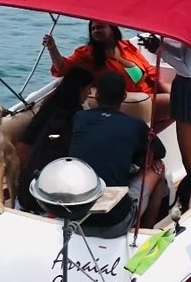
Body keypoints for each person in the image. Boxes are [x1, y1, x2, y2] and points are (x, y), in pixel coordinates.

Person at [67, 71, 168, 226]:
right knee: (158, 167)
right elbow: (160, 152)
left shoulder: (79, 118)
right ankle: (147, 230)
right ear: (124, 97)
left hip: (74, 217)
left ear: (97, 95)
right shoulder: (135, 125)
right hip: (114, 222)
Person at [43, 20, 170, 122]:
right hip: (132, 100)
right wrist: (52, 48)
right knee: (178, 102)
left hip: (150, 91)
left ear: (112, 29)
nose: (96, 31)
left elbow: (150, 71)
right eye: (93, 29)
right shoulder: (87, 54)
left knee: (182, 92)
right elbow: (63, 68)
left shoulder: (125, 46)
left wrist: (165, 88)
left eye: (100, 27)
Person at [142, 33, 191, 171]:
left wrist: (159, 51)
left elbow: (188, 70)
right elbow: (184, 54)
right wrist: (162, 46)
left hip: (188, 91)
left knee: (189, 155)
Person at [17, 66, 94, 160]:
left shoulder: (49, 106)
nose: (90, 93)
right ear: (79, 89)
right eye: (88, 88)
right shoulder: (72, 117)